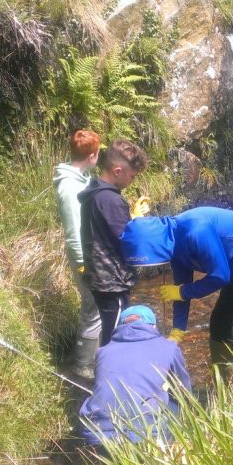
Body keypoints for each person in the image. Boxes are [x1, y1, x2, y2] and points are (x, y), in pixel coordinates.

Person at [120, 207, 233, 369]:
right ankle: (223, 377)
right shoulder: (173, 246)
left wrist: (183, 292)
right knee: (218, 325)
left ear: (155, 243)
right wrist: (178, 329)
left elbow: (220, 276)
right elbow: (181, 288)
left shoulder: (196, 231)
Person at [78, 305, 191, 445]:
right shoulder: (170, 347)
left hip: (96, 432)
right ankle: (168, 449)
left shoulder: (103, 351)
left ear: (120, 326)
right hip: (147, 433)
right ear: (153, 326)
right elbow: (185, 392)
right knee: (176, 406)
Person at [79, 139, 150, 346]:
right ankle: (109, 376)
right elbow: (128, 239)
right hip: (112, 282)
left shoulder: (94, 193)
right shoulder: (110, 200)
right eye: (132, 175)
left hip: (98, 277)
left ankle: (100, 370)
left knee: (109, 330)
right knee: (115, 337)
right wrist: (137, 220)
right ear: (118, 170)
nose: (132, 180)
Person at [54, 129, 103, 379]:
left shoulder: (81, 179)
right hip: (83, 256)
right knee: (92, 307)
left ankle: (94, 358)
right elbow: (74, 231)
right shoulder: (69, 188)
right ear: (92, 155)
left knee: (97, 305)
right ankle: (83, 365)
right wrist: (83, 265)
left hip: (90, 252)